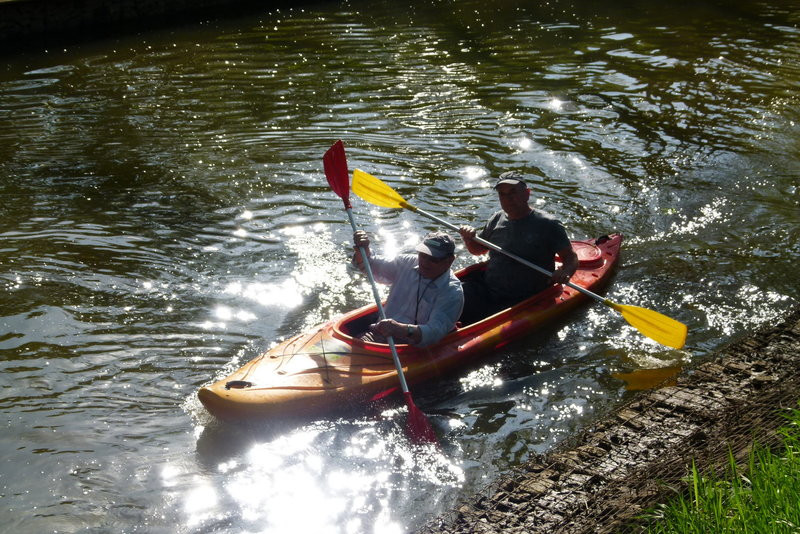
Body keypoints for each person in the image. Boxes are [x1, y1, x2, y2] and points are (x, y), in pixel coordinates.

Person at [457, 170, 579, 324]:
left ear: (527, 193)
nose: (508, 199)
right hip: (490, 287)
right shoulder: (496, 218)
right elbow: (478, 250)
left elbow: (571, 258)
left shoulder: (548, 224)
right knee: (454, 295)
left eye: (513, 192)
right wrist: (468, 238)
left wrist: (565, 272)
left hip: (522, 297)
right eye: (502, 194)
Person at [351, 230, 464, 347]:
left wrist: (401, 329)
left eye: (433, 259)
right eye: (423, 255)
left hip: (415, 348)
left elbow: (433, 332)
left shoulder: (452, 292)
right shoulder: (406, 262)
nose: (425, 263)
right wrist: (363, 249)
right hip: (380, 335)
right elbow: (369, 265)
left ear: (450, 261)